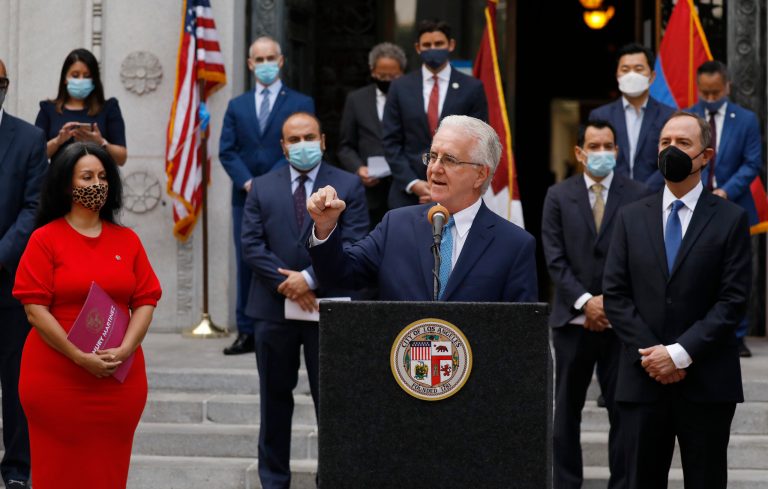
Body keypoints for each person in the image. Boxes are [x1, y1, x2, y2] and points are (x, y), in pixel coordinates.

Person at [603, 112, 750, 489]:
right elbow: (616, 296)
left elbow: (732, 301)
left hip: (706, 382)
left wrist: (680, 353)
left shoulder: (730, 219)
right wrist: (654, 354)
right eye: (665, 143)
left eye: (683, 144)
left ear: (706, 155)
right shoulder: (629, 217)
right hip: (642, 376)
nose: (672, 150)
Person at [12, 142, 162, 488]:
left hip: (117, 380)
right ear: (66, 183)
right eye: (86, 176)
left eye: (103, 176)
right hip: (56, 380)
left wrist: (125, 348)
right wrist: (78, 356)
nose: (97, 183)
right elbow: (34, 309)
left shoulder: (127, 241)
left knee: (107, 472)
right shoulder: (44, 239)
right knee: (58, 472)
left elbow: (146, 299)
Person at [241, 112, 368, 489]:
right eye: (293, 140)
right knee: (274, 401)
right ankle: (273, 480)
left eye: (308, 137)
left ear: (323, 141)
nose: (301, 145)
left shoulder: (348, 185)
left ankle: (332, 477)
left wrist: (310, 279)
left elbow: (357, 239)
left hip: (327, 307)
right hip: (271, 307)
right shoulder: (261, 187)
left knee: (331, 401)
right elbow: (251, 244)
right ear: (282, 146)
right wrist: (290, 282)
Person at [308, 115, 537, 302]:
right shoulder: (395, 225)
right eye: (433, 157)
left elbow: (521, 333)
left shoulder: (514, 245)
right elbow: (339, 277)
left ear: (480, 174)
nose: (435, 169)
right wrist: (325, 228)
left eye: (449, 160)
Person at [542, 120, 650, 489]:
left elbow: (642, 258)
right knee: (565, 414)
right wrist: (587, 303)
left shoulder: (639, 194)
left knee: (623, 410)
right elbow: (554, 257)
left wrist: (609, 305)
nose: (601, 152)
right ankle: (567, 483)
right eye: (594, 145)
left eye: (608, 146)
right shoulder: (558, 196)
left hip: (620, 325)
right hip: (571, 322)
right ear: (579, 152)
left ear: (617, 151)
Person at [219, 36, 315, 356]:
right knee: (248, 259)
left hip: (287, 194)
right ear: (249, 65)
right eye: (258, 60)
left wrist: (266, 183)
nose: (265, 65)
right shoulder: (237, 105)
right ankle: (247, 330)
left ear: (282, 60)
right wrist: (249, 183)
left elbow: (297, 145)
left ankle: (291, 322)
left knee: (289, 255)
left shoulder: (301, 102)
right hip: (244, 197)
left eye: (270, 58)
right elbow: (227, 151)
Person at [686, 60, 762, 357]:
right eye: (704, 92)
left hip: (733, 204)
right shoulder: (687, 117)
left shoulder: (745, 119)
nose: (710, 98)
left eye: (715, 92)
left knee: (735, 271)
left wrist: (725, 190)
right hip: (695, 203)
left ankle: (738, 333)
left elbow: (752, 163)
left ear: (727, 86)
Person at [0, 59, 48, 489]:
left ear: (5, 86)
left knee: (15, 381)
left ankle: (16, 469)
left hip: (9, 281)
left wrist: (0, 254)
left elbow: (34, 206)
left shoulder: (30, 138)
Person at [382, 20, 488, 209]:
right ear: (417, 48)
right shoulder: (400, 87)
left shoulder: (472, 87)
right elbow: (391, 141)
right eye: (427, 45)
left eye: (439, 44)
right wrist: (415, 185)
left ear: (451, 45)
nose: (433, 49)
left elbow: (478, 143)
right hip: (407, 195)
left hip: (457, 195)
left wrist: (445, 187)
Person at [589, 43, 675, 191]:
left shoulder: (669, 116)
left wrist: (644, 190)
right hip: (612, 197)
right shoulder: (600, 116)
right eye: (625, 69)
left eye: (638, 69)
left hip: (654, 197)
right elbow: (595, 158)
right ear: (617, 75)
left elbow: (671, 160)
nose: (631, 74)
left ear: (652, 76)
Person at [338, 42, 406, 228]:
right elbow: (345, 146)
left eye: (393, 76)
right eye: (382, 75)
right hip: (369, 195)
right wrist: (359, 169)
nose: (387, 80)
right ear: (372, 71)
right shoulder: (357, 99)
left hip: (404, 189)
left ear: (402, 72)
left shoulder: (411, 98)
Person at [35, 48, 127, 166]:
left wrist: (100, 142)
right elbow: (36, 155)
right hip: (59, 181)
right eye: (75, 75)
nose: (81, 80)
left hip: (98, 182)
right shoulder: (48, 109)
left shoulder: (109, 108)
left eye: (87, 76)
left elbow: (121, 158)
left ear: (94, 80)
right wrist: (58, 140)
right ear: (65, 78)